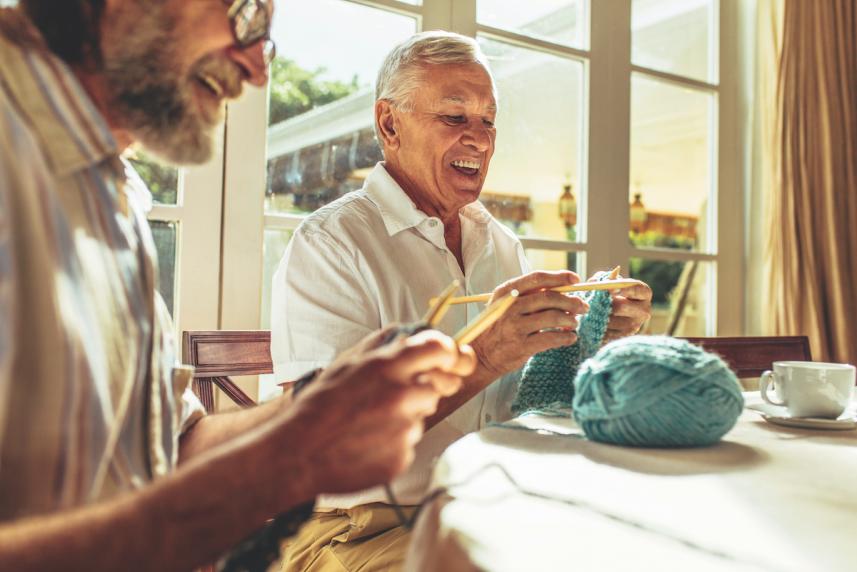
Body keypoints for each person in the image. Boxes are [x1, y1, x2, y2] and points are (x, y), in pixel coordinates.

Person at [0, 2, 477, 570]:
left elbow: (176, 447)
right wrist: (285, 463)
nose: (258, 70)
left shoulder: (107, 192)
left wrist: (317, 413)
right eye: (246, 14)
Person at [271, 31, 653, 571]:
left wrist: (588, 336)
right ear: (389, 124)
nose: (479, 139)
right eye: (454, 117)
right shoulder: (332, 242)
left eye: (488, 121)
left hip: (490, 506)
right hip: (355, 528)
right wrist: (485, 354)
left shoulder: (501, 243)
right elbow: (325, 446)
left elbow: (528, 395)